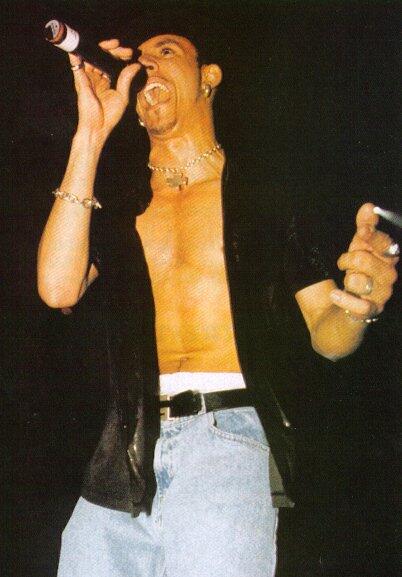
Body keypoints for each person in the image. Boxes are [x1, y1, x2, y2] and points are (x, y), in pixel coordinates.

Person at [37, 23, 398, 577]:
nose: (147, 66)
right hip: (124, 451)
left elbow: (328, 335)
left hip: (228, 440)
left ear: (208, 78)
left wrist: (358, 304)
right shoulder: (125, 202)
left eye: (167, 52)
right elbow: (57, 288)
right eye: (140, 60)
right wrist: (90, 132)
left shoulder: (262, 195)